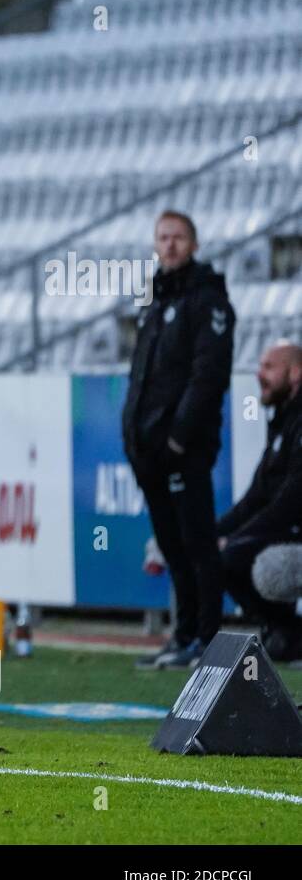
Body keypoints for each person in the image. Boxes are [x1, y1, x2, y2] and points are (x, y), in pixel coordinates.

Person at [125, 211, 235, 670]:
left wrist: (176, 440)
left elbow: (206, 378)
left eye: (178, 238)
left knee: (197, 543)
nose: (169, 245)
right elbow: (143, 375)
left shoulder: (208, 299)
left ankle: (208, 640)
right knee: (171, 545)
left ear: (194, 243)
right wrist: (135, 437)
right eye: (163, 237)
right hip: (148, 450)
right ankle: (184, 633)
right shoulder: (153, 298)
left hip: (183, 450)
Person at [217, 342, 302, 661]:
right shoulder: (282, 419)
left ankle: (288, 632)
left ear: (295, 373)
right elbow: (256, 498)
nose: (259, 374)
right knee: (220, 553)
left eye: (269, 367)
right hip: (288, 527)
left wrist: (235, 541)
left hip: (293, 528)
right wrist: (211, 535)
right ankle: (284, 632)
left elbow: (290, 502)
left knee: (241, 558)